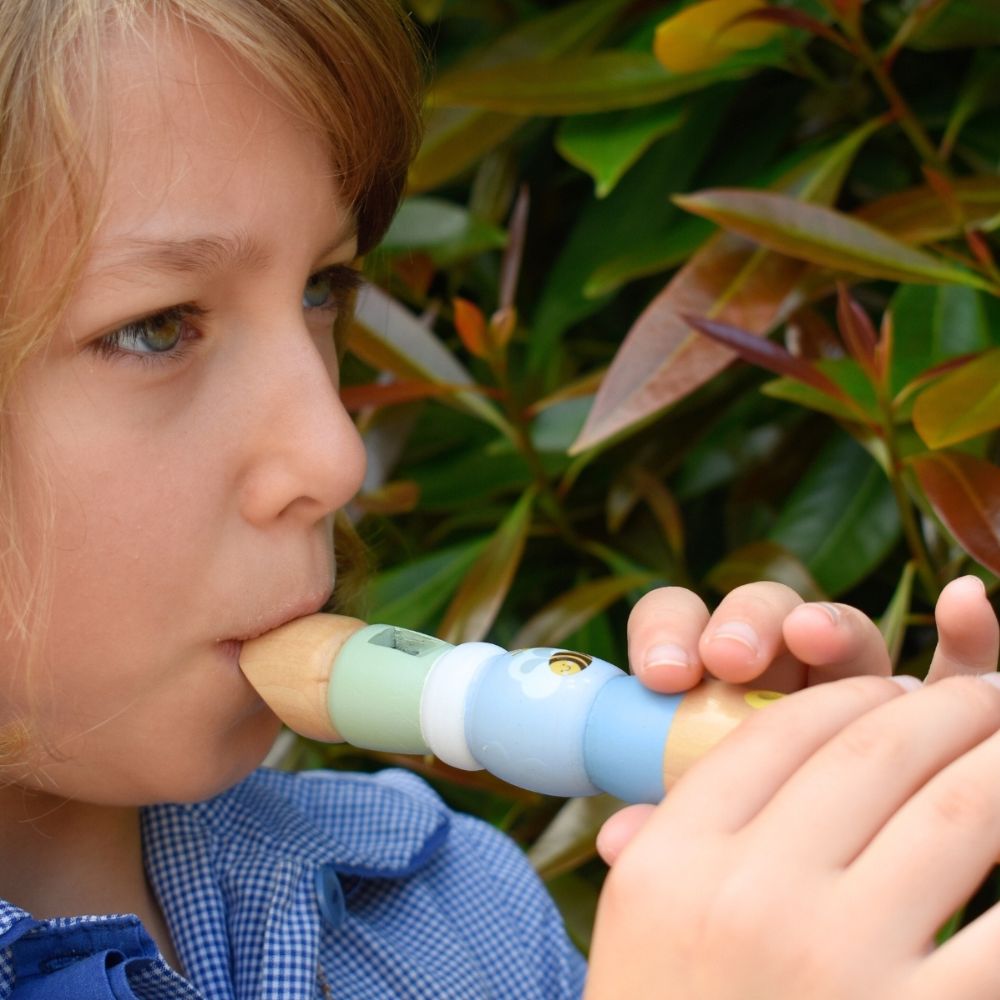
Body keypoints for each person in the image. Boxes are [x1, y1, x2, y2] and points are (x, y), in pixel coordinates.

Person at [0, 1, 997, 997]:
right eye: (158, 328)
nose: (334, 453)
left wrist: (899, 904)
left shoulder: (455, 911)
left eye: (323, 287)